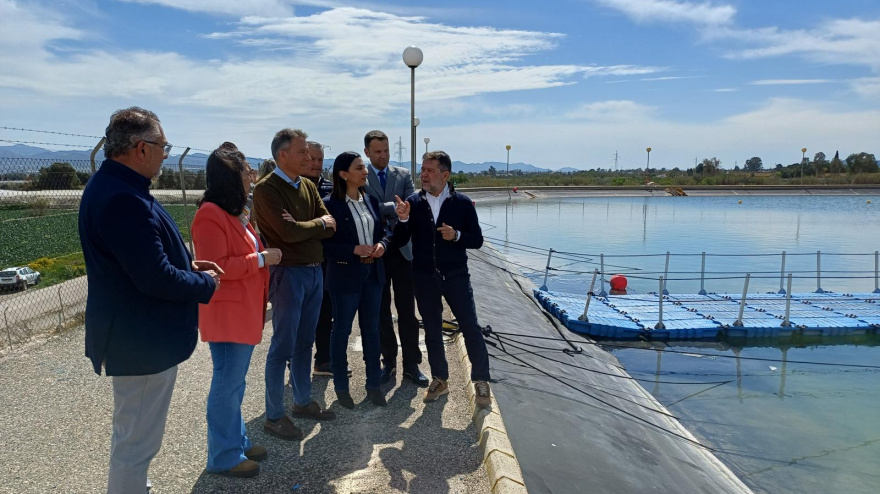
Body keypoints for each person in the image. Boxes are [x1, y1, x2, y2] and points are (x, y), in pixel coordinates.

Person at [78, 107, 220, 493]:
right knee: (136, 443)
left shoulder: (116, 186)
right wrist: (203, 283)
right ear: (141, 148)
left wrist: (185, 264)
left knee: (134, 435)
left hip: (135, 336)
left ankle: (133, 485)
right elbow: (152, 277)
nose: (166, 153)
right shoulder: (125, 198)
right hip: (140, 341)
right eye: (162, 145)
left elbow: (140, 259)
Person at [192, 143, 282, 478]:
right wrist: (261, 259)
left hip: (242, 312)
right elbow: (216, 267)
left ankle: (236, 441)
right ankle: (223, 456)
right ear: (231, 175)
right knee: (227, 385)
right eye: (246, 169)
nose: (252, 174)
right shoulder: (209, 215)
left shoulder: (232, 211)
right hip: (227, 315)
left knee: (235, 384)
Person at [252, 128, 336, 441]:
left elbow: (331, 226)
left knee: (304, 343)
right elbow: (287, 235)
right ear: (283, 154)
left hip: (314, 272)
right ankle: (274, 416)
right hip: (288, 275)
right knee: (282, 347)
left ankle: (301, 402)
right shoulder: (266, 189)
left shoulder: (307, 186)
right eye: (302, 152)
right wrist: (316, 225)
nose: (308, 157)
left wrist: (306, 226)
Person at [393, 150, 492, 409]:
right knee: (433, 330)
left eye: (430, 170)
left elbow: (477, 240)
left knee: (470, 326)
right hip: (424, 276)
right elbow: (400, 240)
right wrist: (402, 219)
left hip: (456, 275)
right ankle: (440, 378)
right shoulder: (413, 202)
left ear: (445, 174)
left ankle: (481, 380)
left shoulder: (462, 203)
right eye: (422, 170)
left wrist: (457, 235)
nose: (423, 175)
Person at [320, 152, 388, 408]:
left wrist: (381, 245)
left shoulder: (370, 200)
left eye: (364, 167)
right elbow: (324, 246)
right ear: (343, 174)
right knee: (342, 332)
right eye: (359, 167)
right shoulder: (330, 205)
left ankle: (373, 385)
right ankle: (341, 386)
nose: (365, 171)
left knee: (372, 331)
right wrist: (353, 250)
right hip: (345, 277)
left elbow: (383, 232)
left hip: (373, 275)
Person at [362, 130, 428, 387]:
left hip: (402, 251)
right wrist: (392, 209)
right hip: (375, 251)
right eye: (378, 152)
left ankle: (411, 364)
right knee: (380, 310)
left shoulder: (402, 175)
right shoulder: (361, 177)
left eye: (386, 151)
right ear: (367, 152)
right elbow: (363, 209)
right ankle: (388, 361)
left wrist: (396, 212)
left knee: (407, 311)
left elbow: (411, 204)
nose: (383, 156)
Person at [302, 141, 339, 377]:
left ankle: (323, 359)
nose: (316, 164)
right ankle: (295, 361)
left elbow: (334, 225)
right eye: (312, 159)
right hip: (301, 261)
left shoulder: (330, 189)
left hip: (328, 261)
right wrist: (319, 225)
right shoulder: (293, 188)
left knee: (326, 313)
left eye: (320, 160)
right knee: (301, 315)